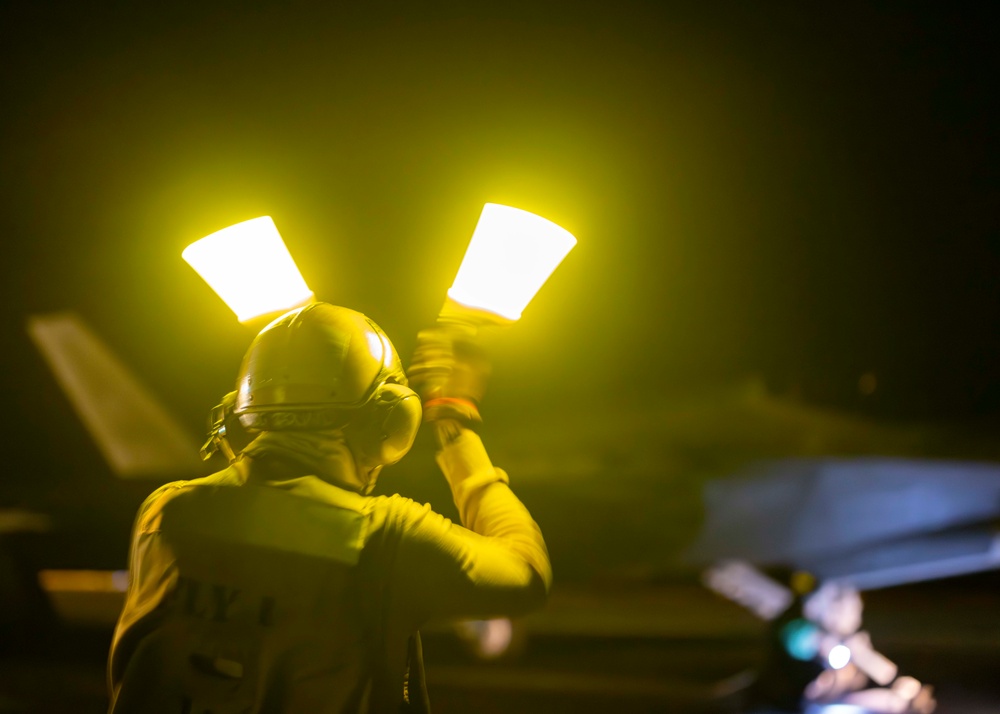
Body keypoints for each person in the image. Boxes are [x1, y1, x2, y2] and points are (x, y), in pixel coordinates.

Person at [107, 302, 551, 713]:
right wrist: (454, 420)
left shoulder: (164, 513)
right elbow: (526, 575)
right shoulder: (381, 534)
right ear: (392, 419)